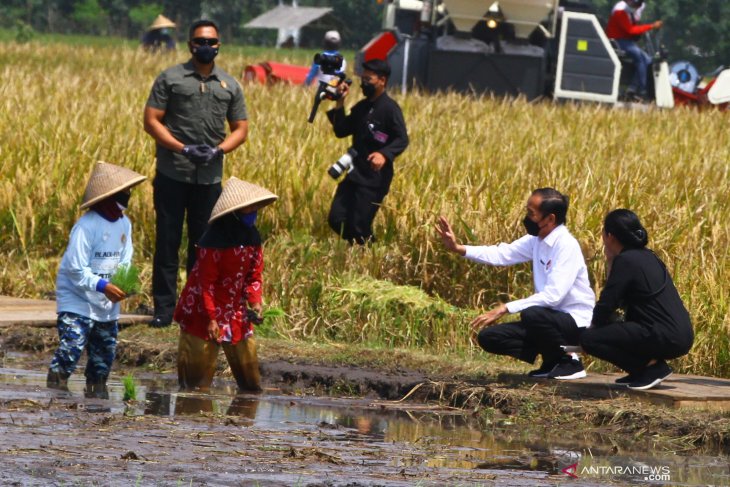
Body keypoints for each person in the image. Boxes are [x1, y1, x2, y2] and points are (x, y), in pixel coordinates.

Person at [144, 19, 249, 328]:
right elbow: (152, 121)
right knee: (167, 242)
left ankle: (195, 307)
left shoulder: (229, 85)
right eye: (200, 41)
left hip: (210, 178)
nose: (206, 47)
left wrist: (219, 151)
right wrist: (183, 148)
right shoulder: (171, 78)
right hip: (172, 173)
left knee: (202, 247)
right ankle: (164, 308)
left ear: (218, 45)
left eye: (212, 42)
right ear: (190, 44)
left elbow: (241, 129)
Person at [435, 188, 595, 380]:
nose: (526, 218)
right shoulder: (536, 240)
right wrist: (458, 248)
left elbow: (553, 296)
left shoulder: (566, 246)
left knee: (532, 313)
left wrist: (505, 308)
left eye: (531, 213)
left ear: (550, 219)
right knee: (489, 338)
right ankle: (552, 359)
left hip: (574, 323)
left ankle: (571, 360)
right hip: (547, 322)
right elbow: (502, 254)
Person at [47, 161, 147, 396]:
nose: (128, 197)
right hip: (77, 299)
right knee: (72, 348)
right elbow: (74, 269)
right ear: (109, 196)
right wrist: (103, 285)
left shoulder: (124, 224)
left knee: (103, 359)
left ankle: (96, 408)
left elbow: (125, 260)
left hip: (106, 301)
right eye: (123, 193)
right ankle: (55, 394)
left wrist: (123, 285)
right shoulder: (86, 226)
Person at [174, 177, 277, 392]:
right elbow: (206, 284)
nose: (254, 212)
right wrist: (212, 318)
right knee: (195, 385)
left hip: (235, 309)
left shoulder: (252, 236)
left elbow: (254, 276)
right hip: (204, 308)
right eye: (250, 208)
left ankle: (244, 422)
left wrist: (255, 302)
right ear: (235, 211)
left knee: (251, 382)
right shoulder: (212, 242)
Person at [580, 210, 693, 390]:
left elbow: (608, 302)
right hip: (679, 334)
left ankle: (650, 369)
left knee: (589, 339)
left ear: (609, 236)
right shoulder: (648, 256)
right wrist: (611, 260)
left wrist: (591, 334)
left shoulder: (626, 260)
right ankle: (641, 372)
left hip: (663, 335)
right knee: (611, 326)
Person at [326, 58, 409, 244]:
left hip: (375, 179)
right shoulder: (361, 108)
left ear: (382, 80)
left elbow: (402, 139)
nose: (364, 83)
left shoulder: (390, 109)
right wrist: (340, 102)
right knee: (336, 218)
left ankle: (367, 252)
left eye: (368, 79)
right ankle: (360, 245)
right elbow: (341, 130)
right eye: (362, 78)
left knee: (359, 225)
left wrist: (384, 154)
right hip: (355, 174)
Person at [606, 0, 663, 100]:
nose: (637, 6)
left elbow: (634, 28)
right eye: (636, 4)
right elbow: (630, 30)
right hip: (618, 40)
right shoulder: (620, 12)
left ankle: (632, 89)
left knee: (648, 60)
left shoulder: (629, 13)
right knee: (639, 58)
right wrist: (651, 26)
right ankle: (641, 91)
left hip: (626, 41)